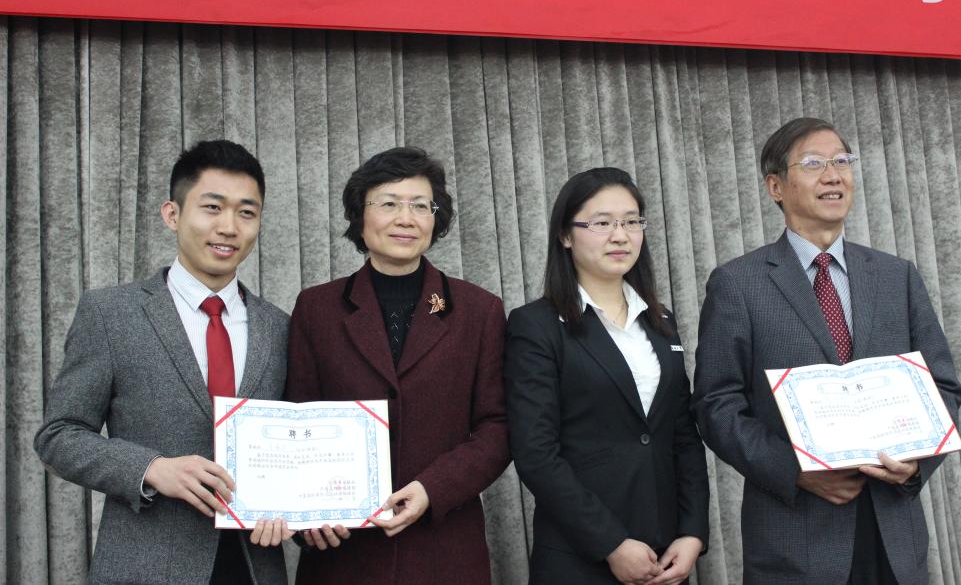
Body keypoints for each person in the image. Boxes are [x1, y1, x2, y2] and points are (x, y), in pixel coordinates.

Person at [691, 117, 961, 584]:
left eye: (842, 161)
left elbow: (943, 385)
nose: (833, 175)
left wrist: (916, 464)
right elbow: (716, 404)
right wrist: (795, 470)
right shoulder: (738, 283)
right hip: (796, 539)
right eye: (814, 164)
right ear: (776, 186)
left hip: (894, 536)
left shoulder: (896, 275)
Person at [35, 140, 291, 584]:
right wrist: (151, 468)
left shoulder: (280, 327)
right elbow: (58, 436)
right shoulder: (111, 314)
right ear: (172, 214)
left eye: (246, 212)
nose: (229, 226)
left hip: (254, 565)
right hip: (146, 566)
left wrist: (291, 505)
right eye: (212, 207)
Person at [284, 146, 510, 584]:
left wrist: (432, 489)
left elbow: (498, 426)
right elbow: (298, 417)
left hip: (444, 552)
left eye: (421, 206)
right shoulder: (317, 309)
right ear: (360, 215)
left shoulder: (478, 310)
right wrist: (306, 517)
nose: (406, 219)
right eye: (388, 204)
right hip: (344, 556)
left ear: (435, 219)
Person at [505, 167, 710, 585]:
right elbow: (536, 454)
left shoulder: (661, 320)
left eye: (632, 222)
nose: (621, 236)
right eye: (602, 223)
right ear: (565, 235)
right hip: (579, 556)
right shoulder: (536, 325)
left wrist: (692, 532)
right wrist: (611, 543)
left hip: (665, 554)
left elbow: (682, 435)